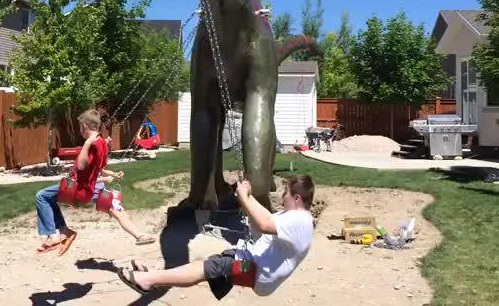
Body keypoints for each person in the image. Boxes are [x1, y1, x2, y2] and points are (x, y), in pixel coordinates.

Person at [117, 175, 315, 300]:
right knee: (206, 265)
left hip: (257, 272)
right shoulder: (289, 216)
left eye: (286, 193)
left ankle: (148, 279)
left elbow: (264, 224)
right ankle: (152, 278)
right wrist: (247, 196)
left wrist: (245, 198)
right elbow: (264, 220)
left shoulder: (301, 221)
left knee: (209, 268)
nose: (282, 197)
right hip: (251, 262)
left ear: (297, 198)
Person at [34, 109, 105, 255]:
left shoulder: (92, 143)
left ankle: (52, 236)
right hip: (87, 189)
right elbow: (100, 164)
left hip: (79, 190)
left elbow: (81, 165)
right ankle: (64, 231)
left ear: (85, 126)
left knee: (41, 196)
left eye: (80, 126)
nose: (80, 130)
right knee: (50, 198)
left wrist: (87, 144)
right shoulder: (102, 142)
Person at [93, 115, 156, 245]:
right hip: (96, 193)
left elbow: (102, 170)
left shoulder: (96, 158)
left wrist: (115, 174)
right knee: (118, 212)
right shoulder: (90, 157)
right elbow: (88, 181)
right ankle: (139, 236)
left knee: (120, 211)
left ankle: (138, 234)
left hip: (101, 192)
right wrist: (104, 178)